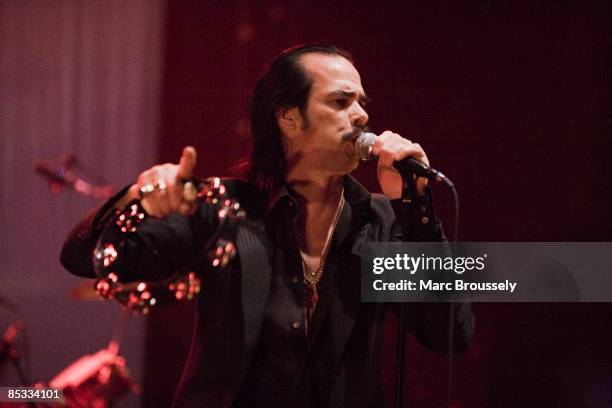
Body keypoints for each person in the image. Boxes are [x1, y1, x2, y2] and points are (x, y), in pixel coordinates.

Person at [61, 44, 474, 407]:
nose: (362, 114)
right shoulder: (222, 210)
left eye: (362, 101)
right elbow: (81, 256)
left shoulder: (381, 222)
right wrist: (138, 196)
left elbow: (451, 333)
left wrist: (415, 209)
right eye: (341, 101)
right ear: (288, 118)